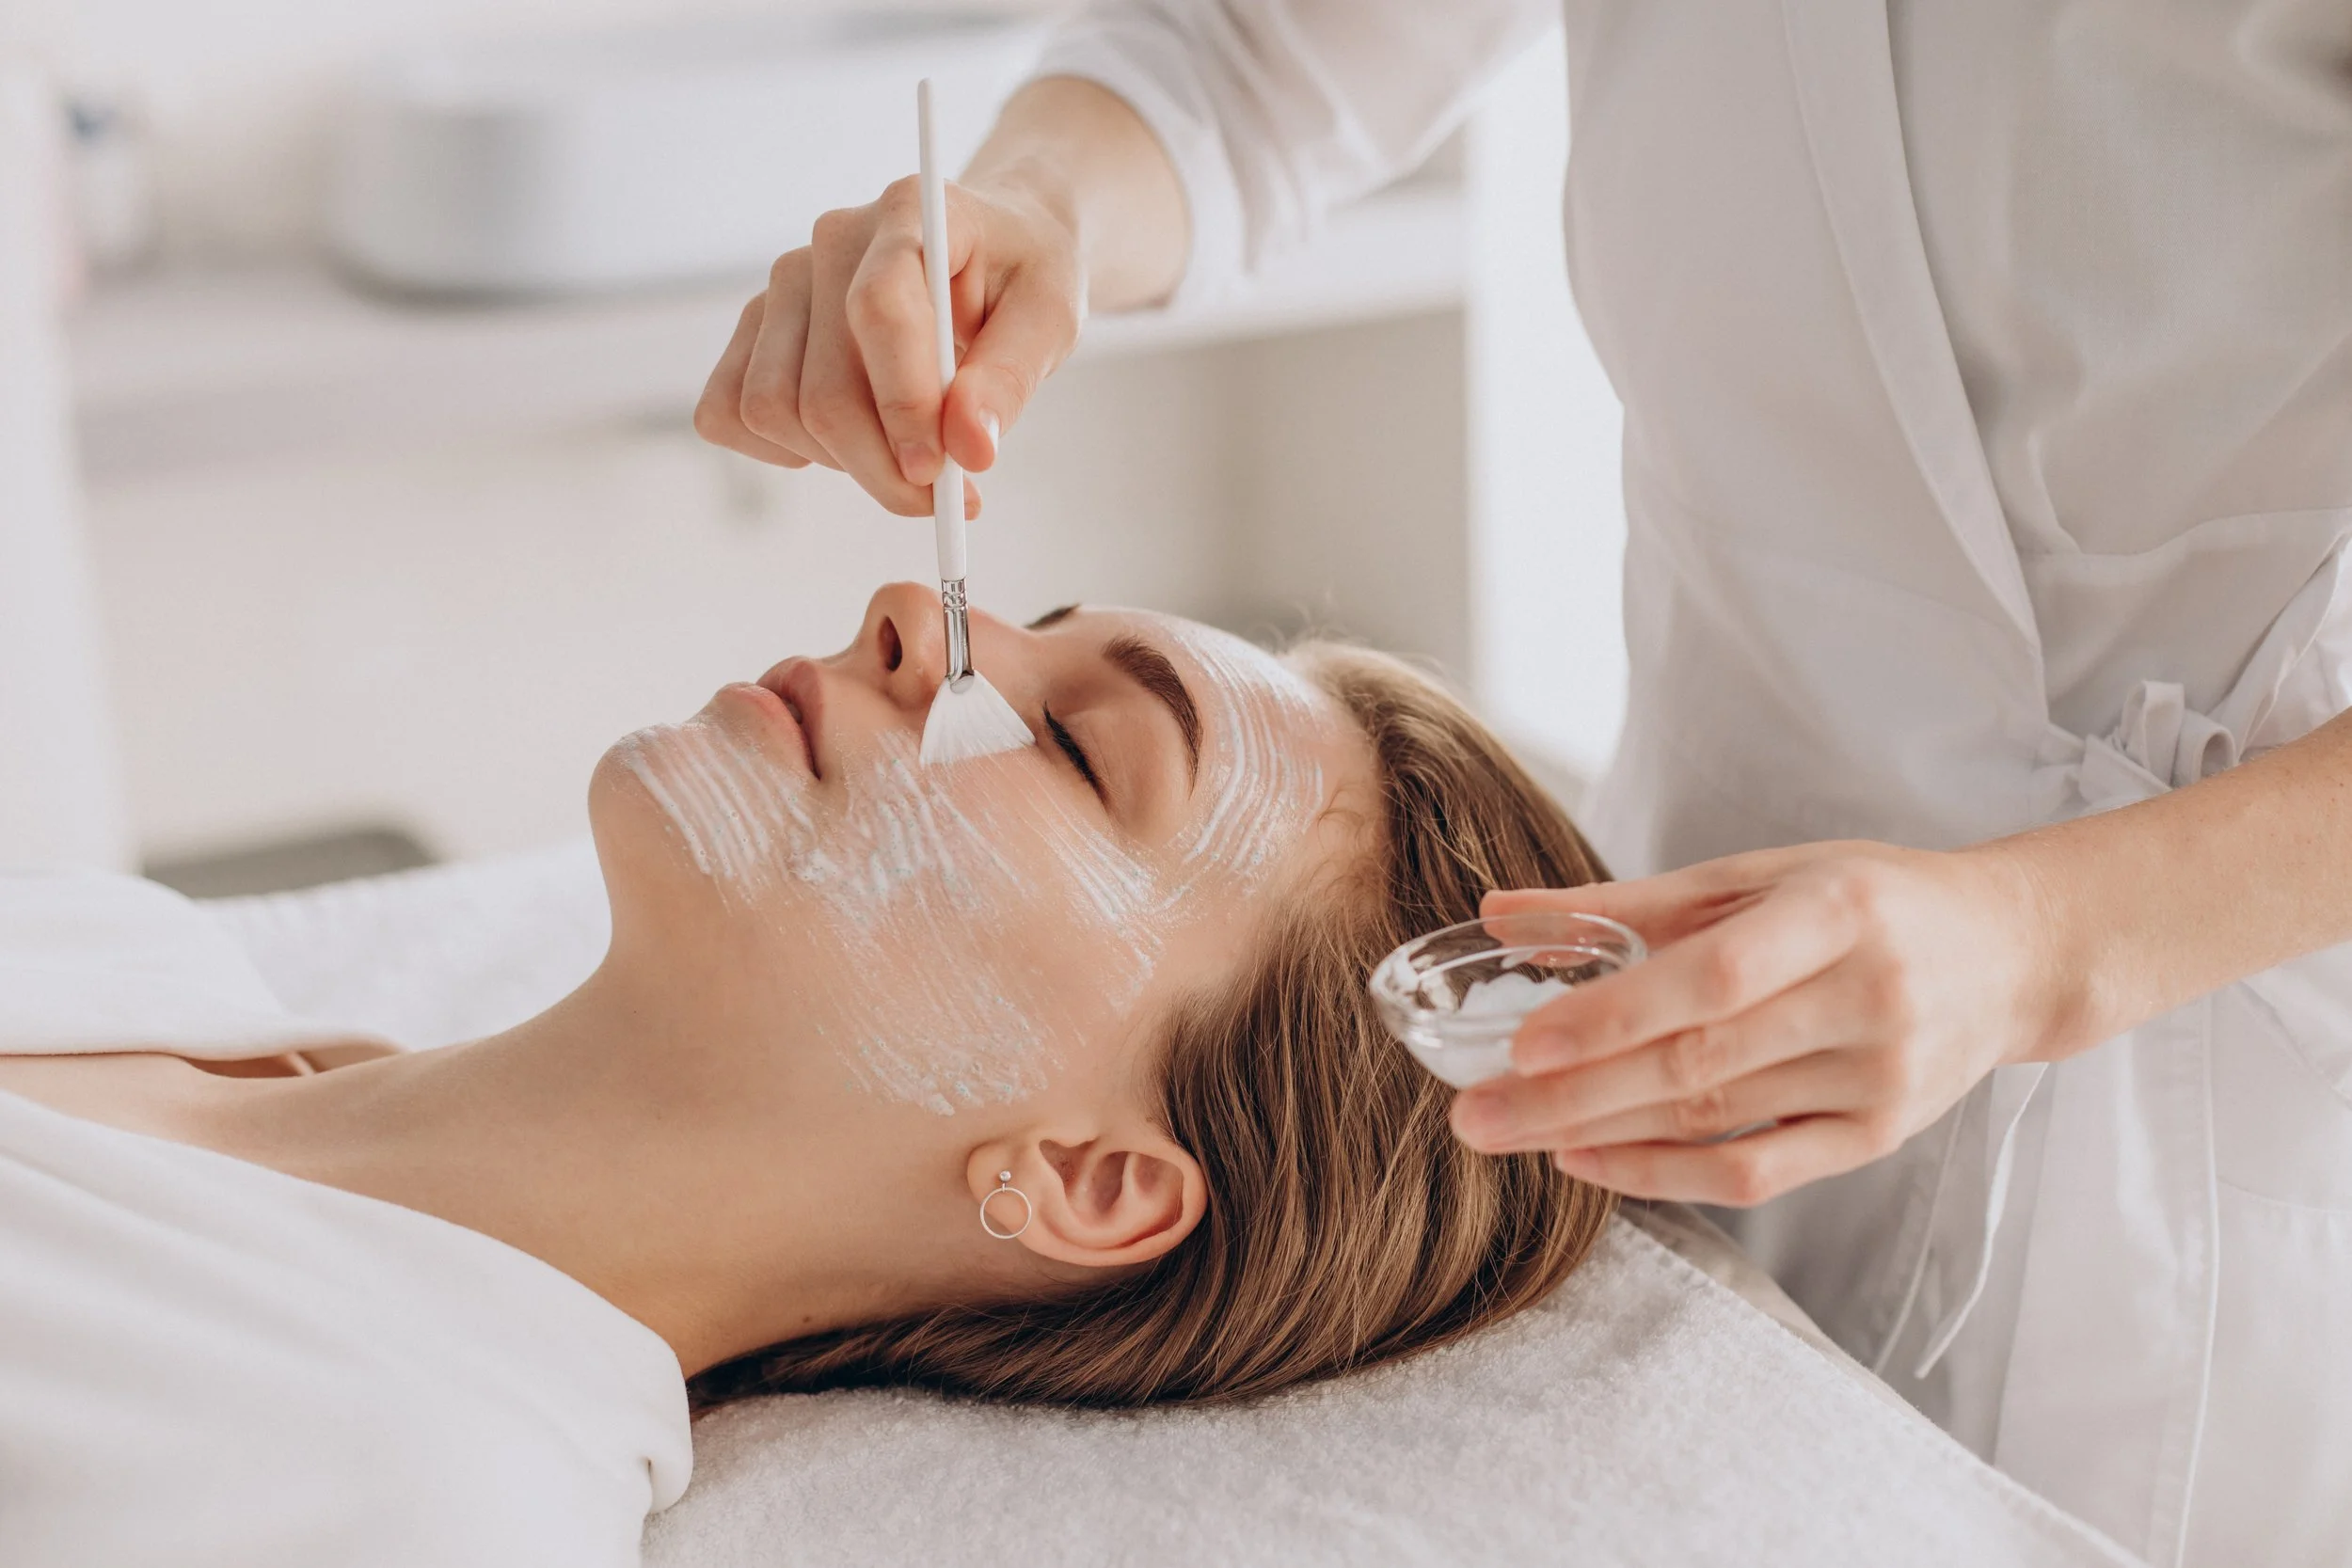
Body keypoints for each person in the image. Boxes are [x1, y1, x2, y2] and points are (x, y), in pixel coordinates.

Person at [691, 6, 2352, 1562]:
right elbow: (1254, 59)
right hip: (1694, 1021)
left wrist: (2051, 939)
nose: (910, 613)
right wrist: (1037, 203)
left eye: (1080, 746)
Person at [0, 585, 1615, 1566]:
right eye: (1023, 620)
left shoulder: (393, 1489)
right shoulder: (123, 949)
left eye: (1077, 748)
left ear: (1087, 1176)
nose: (921, 611)